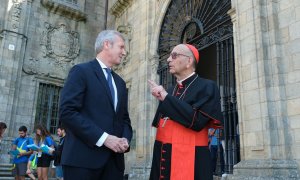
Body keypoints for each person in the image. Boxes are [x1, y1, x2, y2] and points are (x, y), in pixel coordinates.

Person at [59, 30, 133, 180]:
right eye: (121, 47)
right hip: (82, 162)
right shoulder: (81, 71)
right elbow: (67, 112)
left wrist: (125, 139)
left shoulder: (120, 82)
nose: (124, 52)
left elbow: (124, 119)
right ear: (107, 44)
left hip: (114, 164)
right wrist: (104, 138)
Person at [148, 44, 223, 180]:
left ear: (189, 61)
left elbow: (197, 121)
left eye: (174, 55)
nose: (168, 60)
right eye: (169, 56)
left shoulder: (208, 86)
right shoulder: (170, 91)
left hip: (193, 161)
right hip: (163, 159)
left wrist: (166, 98)